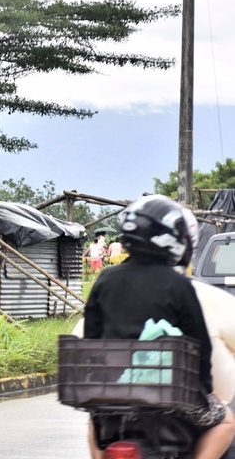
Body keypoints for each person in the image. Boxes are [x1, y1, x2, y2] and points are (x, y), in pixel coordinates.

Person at [83, 195, 235, 459]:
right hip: (171, 392)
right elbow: (199, 344)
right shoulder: (177, 285)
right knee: (226, 422)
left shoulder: (105, 278)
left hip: (113, 394)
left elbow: (92, 336)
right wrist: (206, 386)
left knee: (94, 426)